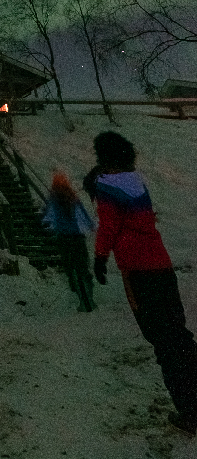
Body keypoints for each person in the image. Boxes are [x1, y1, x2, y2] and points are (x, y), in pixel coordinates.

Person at [84, 130, 197, 435]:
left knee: (163, 342)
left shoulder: (106, 186)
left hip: (138, 271)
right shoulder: (136, 182)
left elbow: (108, 226)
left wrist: (100, 257)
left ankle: (191, 411)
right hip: (161, 265)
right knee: (179, 334)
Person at [41, 170, 96, 312]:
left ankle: (80, 298)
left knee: (70, 269)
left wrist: (46, 224)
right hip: (78, 238)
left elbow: (48, 218)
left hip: (64, 239)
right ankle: (90, 298)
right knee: (83, 268)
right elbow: (83, 215)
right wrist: (90, 226)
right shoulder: (73, 198)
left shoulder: (53, 200)